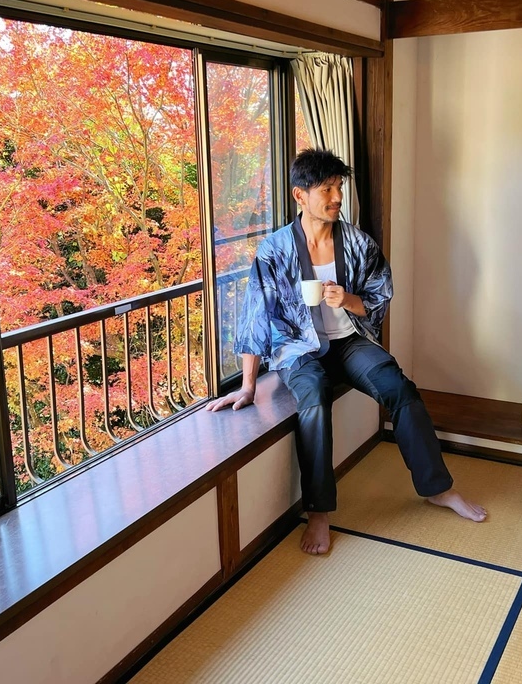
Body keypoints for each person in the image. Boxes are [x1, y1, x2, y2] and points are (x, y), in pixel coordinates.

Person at [207, 149, 486, 555]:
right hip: (297, 350)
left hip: (349, 341)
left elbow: (379, 294)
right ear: (300, 196)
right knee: (314, 401)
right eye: (327, 188)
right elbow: (256, 316)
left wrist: (348, 300)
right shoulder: (275, 250)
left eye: (339, 187)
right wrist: (249, 385)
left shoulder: (356, 241)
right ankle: (319, 511)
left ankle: (437, 489)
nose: (336, 196)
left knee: (400, 388)